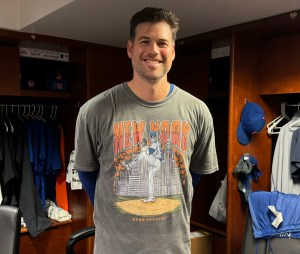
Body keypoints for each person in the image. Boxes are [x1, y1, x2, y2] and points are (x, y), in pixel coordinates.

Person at [73, 6, 219, 254]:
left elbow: (192, 176)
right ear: (130, 49)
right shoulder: (94, 111)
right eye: (145, 41)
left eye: (162, 43)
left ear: (172, 51)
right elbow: (88, 175)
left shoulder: (198, 111)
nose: (154, 51)